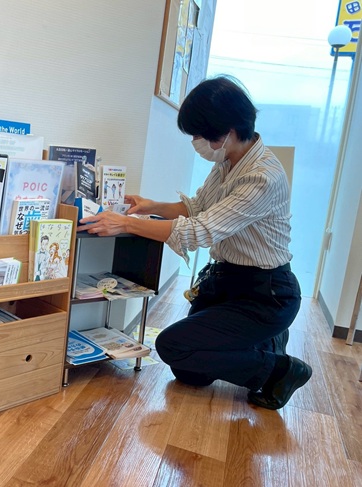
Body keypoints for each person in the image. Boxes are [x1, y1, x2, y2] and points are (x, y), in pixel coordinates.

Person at [77, 75, 310, 410]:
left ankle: (280, 369)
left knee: (172, 346)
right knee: (190, 372)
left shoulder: (262, 177)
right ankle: (265, 343)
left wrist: (127, 223)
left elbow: (199, 231)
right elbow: (198, 207)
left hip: (266, 293)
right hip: (226, 281)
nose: (196, 142)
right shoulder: (228, 159)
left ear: (227, 130)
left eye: (200, 134)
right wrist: (150, 206)